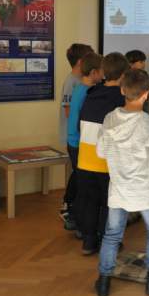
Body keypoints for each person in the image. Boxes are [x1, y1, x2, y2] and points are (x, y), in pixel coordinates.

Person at [94, 69, 149, 296]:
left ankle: (103, 281)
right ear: (146, 94)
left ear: (122, 90)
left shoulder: (109, 119)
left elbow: (101, 152)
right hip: (145, 192)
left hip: (118, 190)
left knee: (112, 235)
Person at [76, 52, 130, 255]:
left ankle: (89, 242)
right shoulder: (122, 99)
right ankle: (109, 242)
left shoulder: (91, 94)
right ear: (123, 75)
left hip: (85, 160)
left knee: (90, 202)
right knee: (110, 204)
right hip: (107, 162)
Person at [65, 52, 103, 230]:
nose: (103, 75)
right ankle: (76, 219)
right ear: (94, 72)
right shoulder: (88, 92)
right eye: (102, 71)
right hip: (79, 143)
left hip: (75, 141)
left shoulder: (81, 88)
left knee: (81, 181)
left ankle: (74, 216)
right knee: (84, 186)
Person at [59, 43, 94, 225]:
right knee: (79, 172)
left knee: (79, 172)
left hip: (83, 138)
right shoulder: (71, 82)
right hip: (75, 138)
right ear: (81, 62)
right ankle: (68, 205)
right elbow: (69, 112)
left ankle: (72, 205)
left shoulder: (82, 81)